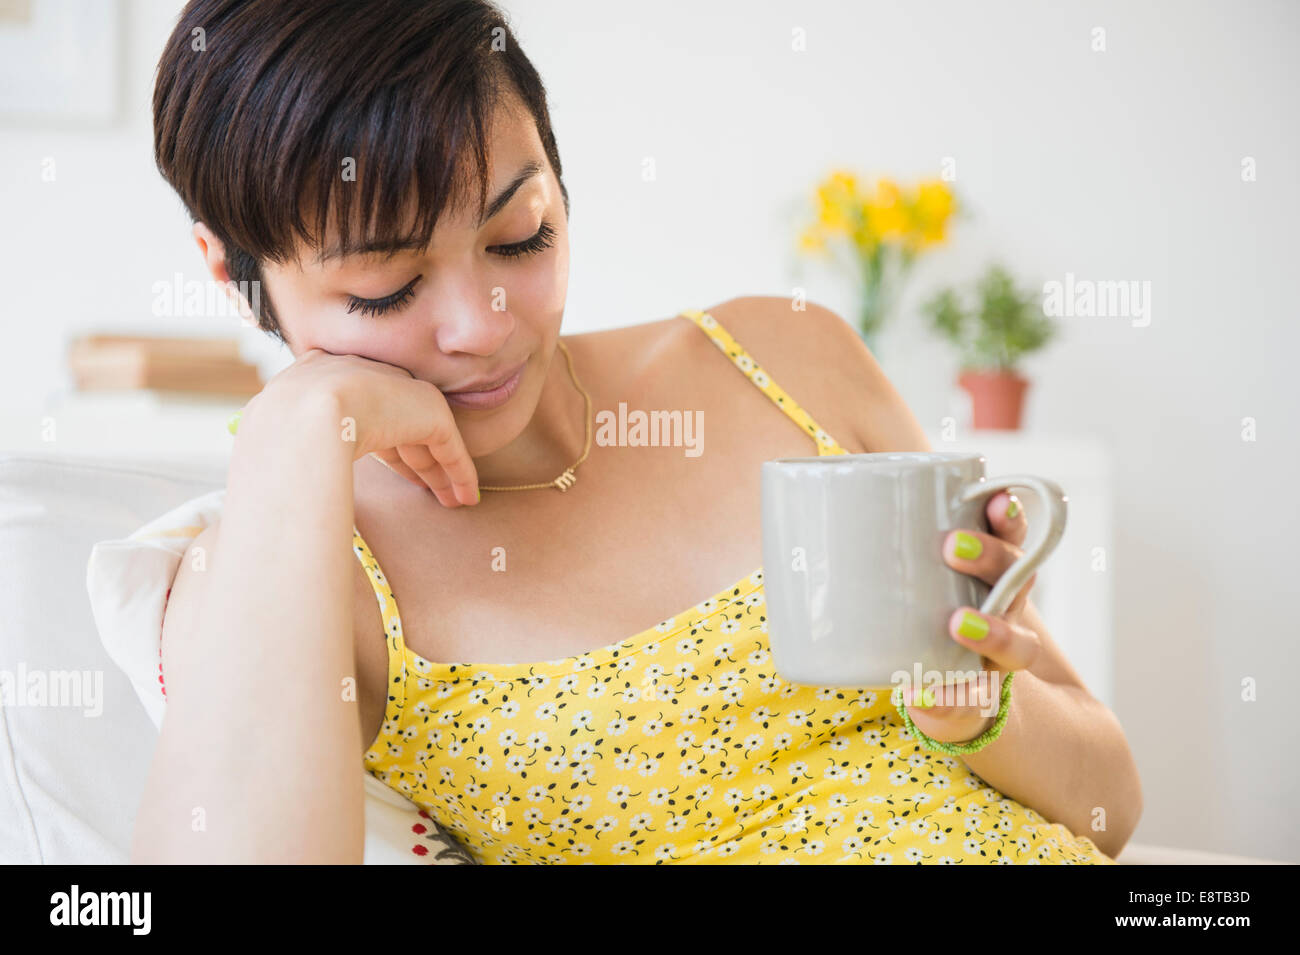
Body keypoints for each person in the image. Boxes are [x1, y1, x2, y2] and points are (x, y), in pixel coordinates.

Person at [136, 0, 1141, 864]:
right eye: (387, 286)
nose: (483, 323)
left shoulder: (787, 358)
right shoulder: (294, 567)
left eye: (518, 234)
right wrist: (294, 429)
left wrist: (981, 709)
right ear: (235, 272)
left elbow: (1110, 803)